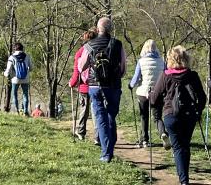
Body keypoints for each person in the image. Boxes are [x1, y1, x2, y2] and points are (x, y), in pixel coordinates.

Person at [151, 46, 206, 185]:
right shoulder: (192, 75)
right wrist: (198, 111)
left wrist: (155, 105)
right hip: (189, 115)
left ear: (170, 59)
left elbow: (154, 98)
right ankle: (185, 178)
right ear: (185, 58)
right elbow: (203, 98)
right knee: (185, 145)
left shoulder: (165, 75)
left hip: (171, 115)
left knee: (178, 148)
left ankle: (184, 181)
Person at [78, 17, 126, 162]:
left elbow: (81, 67)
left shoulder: (89, 45)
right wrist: (117, 76)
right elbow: (123, 67)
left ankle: (106, 153)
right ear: (110, 29)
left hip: (95, 86)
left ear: (98, 29)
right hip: (113, 86)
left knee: (101, 119)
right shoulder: (118, 44)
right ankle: (111, 144)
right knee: (111, 115)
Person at [129, 39, 170, 149]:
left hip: (143, 92)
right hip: (158, 92)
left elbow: (136, 78)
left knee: (144, 116)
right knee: (157, 117)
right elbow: (166, 76)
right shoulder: (162, 62)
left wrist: (131, 85)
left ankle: (145, 140)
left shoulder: (141, 61)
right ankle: (163, 133)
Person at [69, 28, 100, 143]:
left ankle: (81, 132)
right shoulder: (100, 49)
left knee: (84, 110)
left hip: (84, 87)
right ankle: (98, 136)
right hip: (97, 85)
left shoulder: (81, 52)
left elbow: (77, 71)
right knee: (96, 111)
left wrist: (72, 83)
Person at [4, 42, 32, 116]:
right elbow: (31, 68)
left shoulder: (12, 57)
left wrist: (5, 74)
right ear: (22, 48)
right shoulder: (27, 56)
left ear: (15, 49)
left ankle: (17, 111)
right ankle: (25, 111)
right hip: (25, 78)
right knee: (25, 95)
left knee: (14, 94)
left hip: (15, 79)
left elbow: (8, 69)